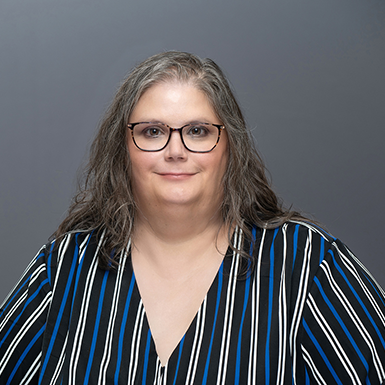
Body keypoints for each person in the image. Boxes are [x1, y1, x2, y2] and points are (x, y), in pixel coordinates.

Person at [0, 51, 384, 385]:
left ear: (230, 145)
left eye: (198, 132)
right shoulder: (67, 265)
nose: (176, 150)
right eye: (153, 132)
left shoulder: (308, 266)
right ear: (123, 149)